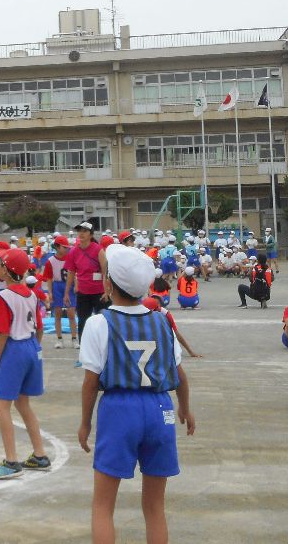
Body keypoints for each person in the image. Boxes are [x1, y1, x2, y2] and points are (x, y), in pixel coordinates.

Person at [78, 244, 196, 544]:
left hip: (119, 409)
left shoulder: (98, 323)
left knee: (103, 506)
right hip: (159, 407)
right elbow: (179, 374)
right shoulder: (161, 322)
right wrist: (184, 407)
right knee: (155, 507)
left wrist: (85, 423)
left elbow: (91, 383)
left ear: (108, 283)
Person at [0, 248, 50, 479]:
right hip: (32, 346)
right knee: (23, 404)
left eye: (1, 265)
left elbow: (2, 334)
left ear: (7, 270)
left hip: (15, 348)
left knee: (1, 406)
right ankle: (40, 454)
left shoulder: (5, 297)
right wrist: (35, 348)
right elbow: (40, 327)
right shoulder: (31, 294)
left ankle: (11, 461)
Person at [63, 221, 108, 347]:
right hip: (83, 292)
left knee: (103, 321)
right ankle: (84, 351)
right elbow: (71, 273)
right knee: (83, 321)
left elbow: (106, 272)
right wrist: (66, 293)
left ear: (91, 234)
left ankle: (104, 349)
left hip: (99, 293)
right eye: (79, 231)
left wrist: (107, 291)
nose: (81, 234)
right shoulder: (73, 252)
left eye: (85, 231)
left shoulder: (98, 250)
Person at [43, 235, 77, 350]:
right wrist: (50, 292)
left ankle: (74, 338)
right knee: (57, 313)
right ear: (57, 247)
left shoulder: (71, 258)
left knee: (71, 313)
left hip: (69, 285)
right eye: (64, 247)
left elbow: (75, 273)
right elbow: (48, 278)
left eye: (68, 247)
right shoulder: (50, 261)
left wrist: (76, 286)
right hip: (57, 285)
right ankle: (59, 339)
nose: (67, 249)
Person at [143, 294, 203, 358]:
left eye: (157, 303)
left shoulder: (165, 313)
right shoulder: (142, 312)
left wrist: (190, 351)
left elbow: (176, 333)